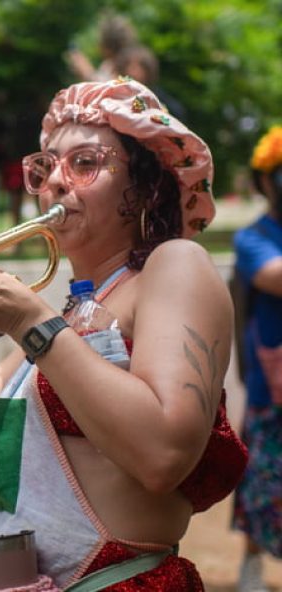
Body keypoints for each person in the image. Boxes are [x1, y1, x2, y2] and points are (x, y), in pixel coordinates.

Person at [0, 78, 248, 590]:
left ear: (146, 184)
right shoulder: (63, 318)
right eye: (46, 167)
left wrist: (28, 322)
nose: (56, 182)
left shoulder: (174, 266)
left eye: (85, 163)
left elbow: (163, 458)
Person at [232, 126, 282, 592]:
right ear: (266, 181)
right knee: (265, 484)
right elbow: (273, 276)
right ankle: (250, 568)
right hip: (275, 390)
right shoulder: (253, 239)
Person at [65, 13, 137, 82]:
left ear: (107, 47)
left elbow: (115, 87)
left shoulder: (128, 67)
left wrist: (87, 74)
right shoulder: (107, 65)